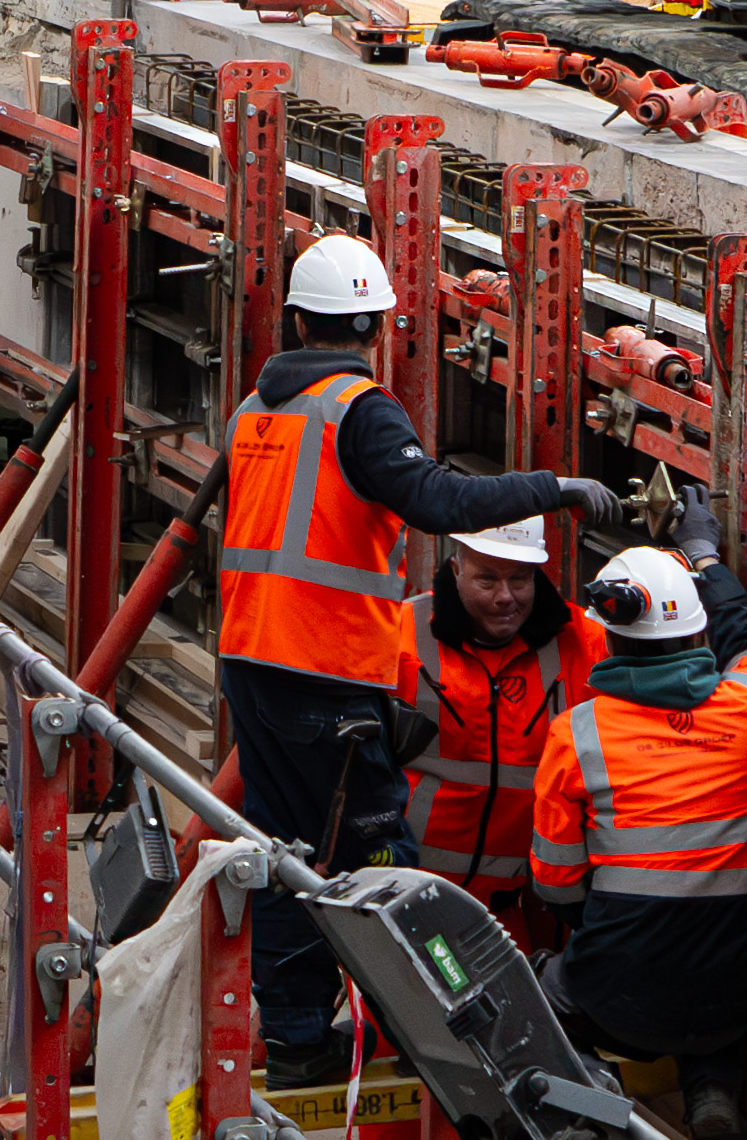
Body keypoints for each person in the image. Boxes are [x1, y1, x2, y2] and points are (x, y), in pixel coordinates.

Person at [215, 232, 601, 1085]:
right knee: (381, 855)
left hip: (252, 658)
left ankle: (295, 1040)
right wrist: (551, 488)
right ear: (380, 324)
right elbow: (435, 499)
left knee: (287, 850)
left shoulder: (255, 408)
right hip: (325, 667)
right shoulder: (358, 406)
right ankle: (438, 1027)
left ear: (296, 318)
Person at [538, 539, 747, 1138]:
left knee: (538, 988)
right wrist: (705, 559)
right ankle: (711, 1092)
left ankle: (596, 1106)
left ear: (609, 636)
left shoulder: (578, 733)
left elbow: (557, 890)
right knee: (711, 967)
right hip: (738, 997)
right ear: (698, 634)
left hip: (617, 1000)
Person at [394, 515, 595, 948]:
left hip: (506, 915)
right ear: (455, 569)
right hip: (402, 899)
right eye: (487, 580)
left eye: (520, 580)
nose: (506, 597)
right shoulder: (401, 635)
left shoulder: (580, 642)